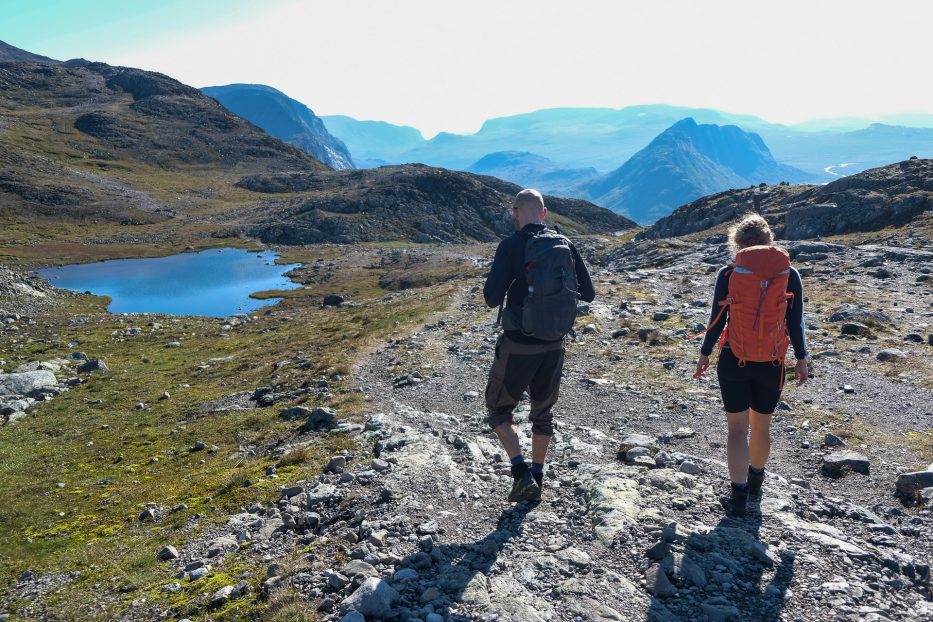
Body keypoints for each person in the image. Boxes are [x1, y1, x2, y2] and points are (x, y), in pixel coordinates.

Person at [483, 189, 595, 503]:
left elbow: (491, 298)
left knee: (498, 409)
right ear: (544, 213)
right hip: (554, 345)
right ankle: (539, 476)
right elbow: (588, 294)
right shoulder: (565, 244)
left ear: (515, 212)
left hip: (518, 345)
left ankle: (521, 475)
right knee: (542, 413)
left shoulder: (509, 246)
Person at [693, 214, 809, 517]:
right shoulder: (789, 274)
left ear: (738, 245)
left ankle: (739, 497)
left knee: (736, 430)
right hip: (771, 363)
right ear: (770, 241)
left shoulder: (728, 274)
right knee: (762, 426)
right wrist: (801, 358)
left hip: (734, 359)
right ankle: (757, 482)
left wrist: (705, 353)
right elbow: (795, 324)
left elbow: (716, 322)